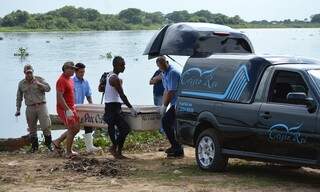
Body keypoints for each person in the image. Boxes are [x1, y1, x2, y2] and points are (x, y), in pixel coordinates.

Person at [104, 56, 138, 159]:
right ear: (116, 65)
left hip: (111, 106)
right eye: (122, 65)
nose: (124, 67)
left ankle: (118, 152)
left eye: (124, 64)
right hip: (113, 107)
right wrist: (131, 108)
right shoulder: (115, 78)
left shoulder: (110, 75)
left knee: (118, 129)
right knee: (125, 129)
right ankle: (114, 148)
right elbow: (122, 95)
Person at [15, 64, 52, 153]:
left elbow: (48, 88)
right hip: (30, 108)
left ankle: (49, 146)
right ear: (24, 73)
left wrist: (39, 84)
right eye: (27, 73)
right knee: (32, 128)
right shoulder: (21, 83)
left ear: (33, 72)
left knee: (46, 126)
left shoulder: (40, 79)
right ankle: (34, 148)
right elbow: (19, 97)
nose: (29, 74)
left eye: (30, 72)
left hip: (41, 106)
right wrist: (18, 109)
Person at [156, 56, 184, 158]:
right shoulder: (164, 74)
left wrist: (164, 106)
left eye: (163, 65)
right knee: (171, 124)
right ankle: (177, 148)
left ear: (167, 62)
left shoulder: (172, 73)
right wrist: (163, 106)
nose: (162, 68)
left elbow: (171, 92)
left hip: (179, 103)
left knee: (166, 122)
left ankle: (176, 147)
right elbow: (166, 91)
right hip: (173, 103)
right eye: (160, 67)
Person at [53, 62, 80, 158]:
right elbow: (59, 97)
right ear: (65, 69)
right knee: (72, 128)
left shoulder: (70, 80)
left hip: (72, 107)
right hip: (64, 108)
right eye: (72, 69)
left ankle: (57, 141)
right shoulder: (61, 80)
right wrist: (67, 110)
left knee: (76, 128)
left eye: (74, 69)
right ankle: (68, 152)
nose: (73, 71)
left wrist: (73, 108)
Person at [73, 63, 101, 153]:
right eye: (80, 72)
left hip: (81, 107)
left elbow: (88, 95)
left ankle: (89, 147)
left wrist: (91, 106)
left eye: (83, 72)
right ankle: (63, 144)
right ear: (75, 72)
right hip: (72, 107)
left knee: (88, 124)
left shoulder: (86, 82)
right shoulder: (71, 82)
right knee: (73, 128)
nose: (82, 73)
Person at [149, 69, 165, 134]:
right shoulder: (157, 71)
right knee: (157, 112)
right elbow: (150, 82)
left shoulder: (166, 72)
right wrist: (157, 78)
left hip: (162, 95)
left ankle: (162, 130)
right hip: (156, 94)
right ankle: (158, 128)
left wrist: (155, 79)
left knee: (162, 112)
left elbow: (159, 79)